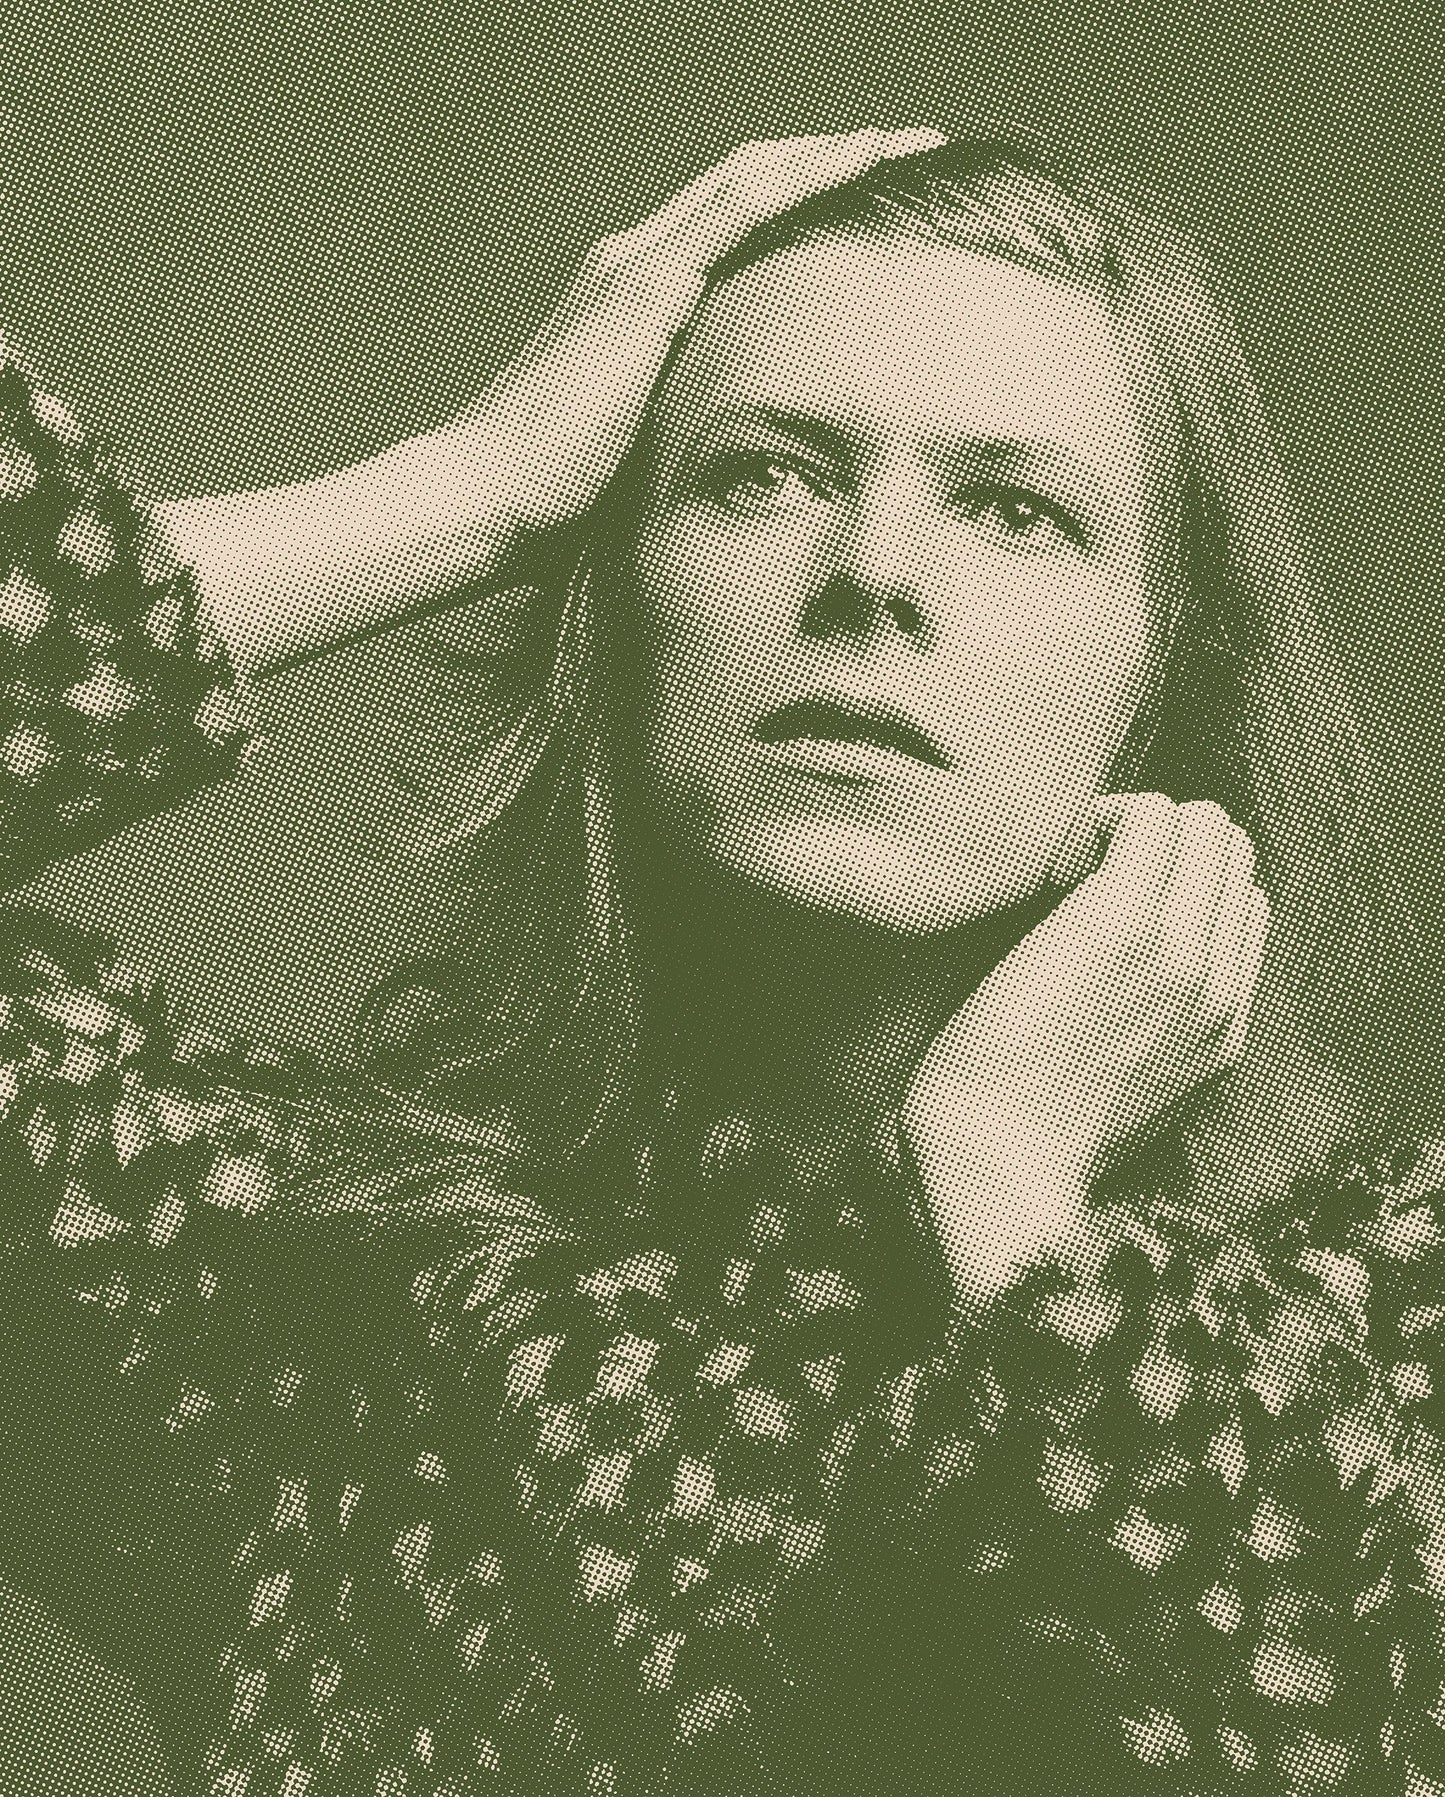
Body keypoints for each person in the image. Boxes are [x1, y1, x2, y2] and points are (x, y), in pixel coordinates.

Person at [0, 127, 1438, 1797]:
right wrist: (464, 490)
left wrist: (1017, 1198)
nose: (873, 576)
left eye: (1015, 509)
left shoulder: (1385, 1317)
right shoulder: (293, 1293)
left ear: (1163, 673)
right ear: (612, 602)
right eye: (763, 477)